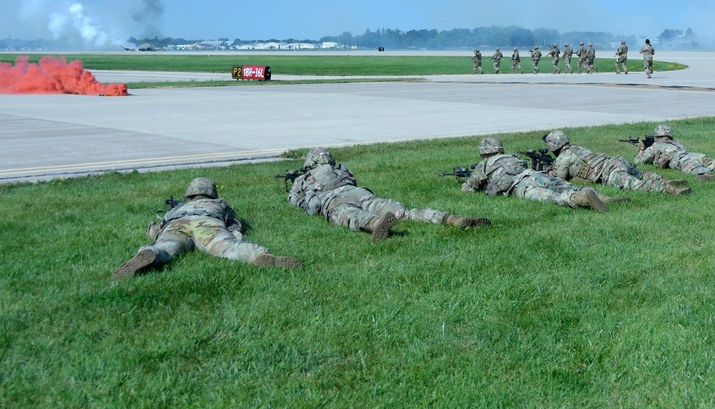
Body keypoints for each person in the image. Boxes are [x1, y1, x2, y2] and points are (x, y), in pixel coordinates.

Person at [112, 177, 301, 279]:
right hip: (208, 224)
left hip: (177, 224)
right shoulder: (219, 203)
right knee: (230, 248)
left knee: (165, 247)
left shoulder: (178, 208)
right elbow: (233, 224)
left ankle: (150, 253)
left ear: (189, 194)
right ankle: (259, 256)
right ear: (212, 192)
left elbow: (155, 230)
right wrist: (235, 234)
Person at [288, 149, 490, 241]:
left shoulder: (303, 179)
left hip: (333, 200)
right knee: (404, 212)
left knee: (350, 215)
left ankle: (375, 224)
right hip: (359, 193)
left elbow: (301, 203)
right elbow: (353, 181)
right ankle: (451, 219)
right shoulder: (341, 169)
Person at [462, 137, 616, 211]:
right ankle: (604, 197)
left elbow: (470, 188)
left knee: (552, 196)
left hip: (521, 187)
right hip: (535, 175)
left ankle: (582, 199)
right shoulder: (512, 157)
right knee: (564, 185)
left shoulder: (484, 165)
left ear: (484, 153)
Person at [543, 130, 691, 196]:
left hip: (609, 172)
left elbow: (558, 179)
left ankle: (670, 189)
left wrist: (548, 171)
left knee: (635, 185)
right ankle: (664, 179)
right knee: (641, 175)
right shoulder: (577, 148)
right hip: (617, 161)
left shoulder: (563, 158)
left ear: (552, 146)